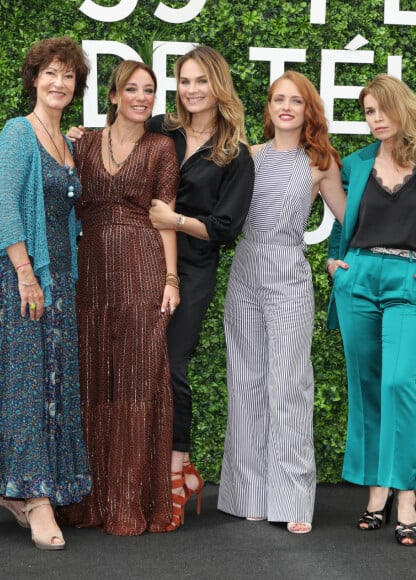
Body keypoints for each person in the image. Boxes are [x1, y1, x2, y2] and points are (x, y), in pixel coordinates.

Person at [0, 37, 92, 550]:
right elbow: (6, 209)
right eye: (51, 73)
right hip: (23, 282)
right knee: (25, 389)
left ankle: (15, 494)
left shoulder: (67, 143)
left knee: (48, 387)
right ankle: (35, 500)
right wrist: (26, 275)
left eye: (68, 76)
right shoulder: (18, 133)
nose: (59, 83)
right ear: (34, 78)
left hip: (58, 281)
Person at [325, 74, 416, 547]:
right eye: (367, 112)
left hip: (409, 280)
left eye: (382, 109)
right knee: (365, 387)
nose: (375, 119)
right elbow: (346, 224)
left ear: (402, 109)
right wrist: (334, 262)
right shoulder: (358, 164)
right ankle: (376, 490)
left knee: (398, 382)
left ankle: (406, 495)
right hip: (358, 276)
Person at [216, 71, 346, 534]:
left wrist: (339, 260)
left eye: (296, 100)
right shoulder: (247, 156)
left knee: (290, 384)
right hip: (246, 270)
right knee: (246, 380)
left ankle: (291, 498)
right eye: (278, 99)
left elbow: (348, 219)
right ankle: (250, 493)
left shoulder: (321, 161)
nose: (286, 107)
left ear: (308, 109)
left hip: (289, 271)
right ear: (268, 108)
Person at [58, 61, 180, 536]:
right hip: (89, 272)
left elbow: (165, 218)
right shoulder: (83, 142)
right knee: (93, 381)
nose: (141, 97)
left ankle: (132, 502)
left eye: (149, 90)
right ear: (112, 96)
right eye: (132, 89)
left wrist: (171, 280)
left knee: (136, 381)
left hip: (143, 265)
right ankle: (89, 504)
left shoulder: (160, 147)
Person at [147, 45, 254, 530]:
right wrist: (82, 137)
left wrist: (177, 220)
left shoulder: (236, 154)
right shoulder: (160, 130)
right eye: (184, 81)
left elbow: (226, 227)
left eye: (200, 81)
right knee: (139, 364)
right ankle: (154, 470)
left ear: (218, 86)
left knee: (172, 363)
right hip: (139, 263)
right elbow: (118, 151)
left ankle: (177, 468)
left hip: (192, 271)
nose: (191, 90)